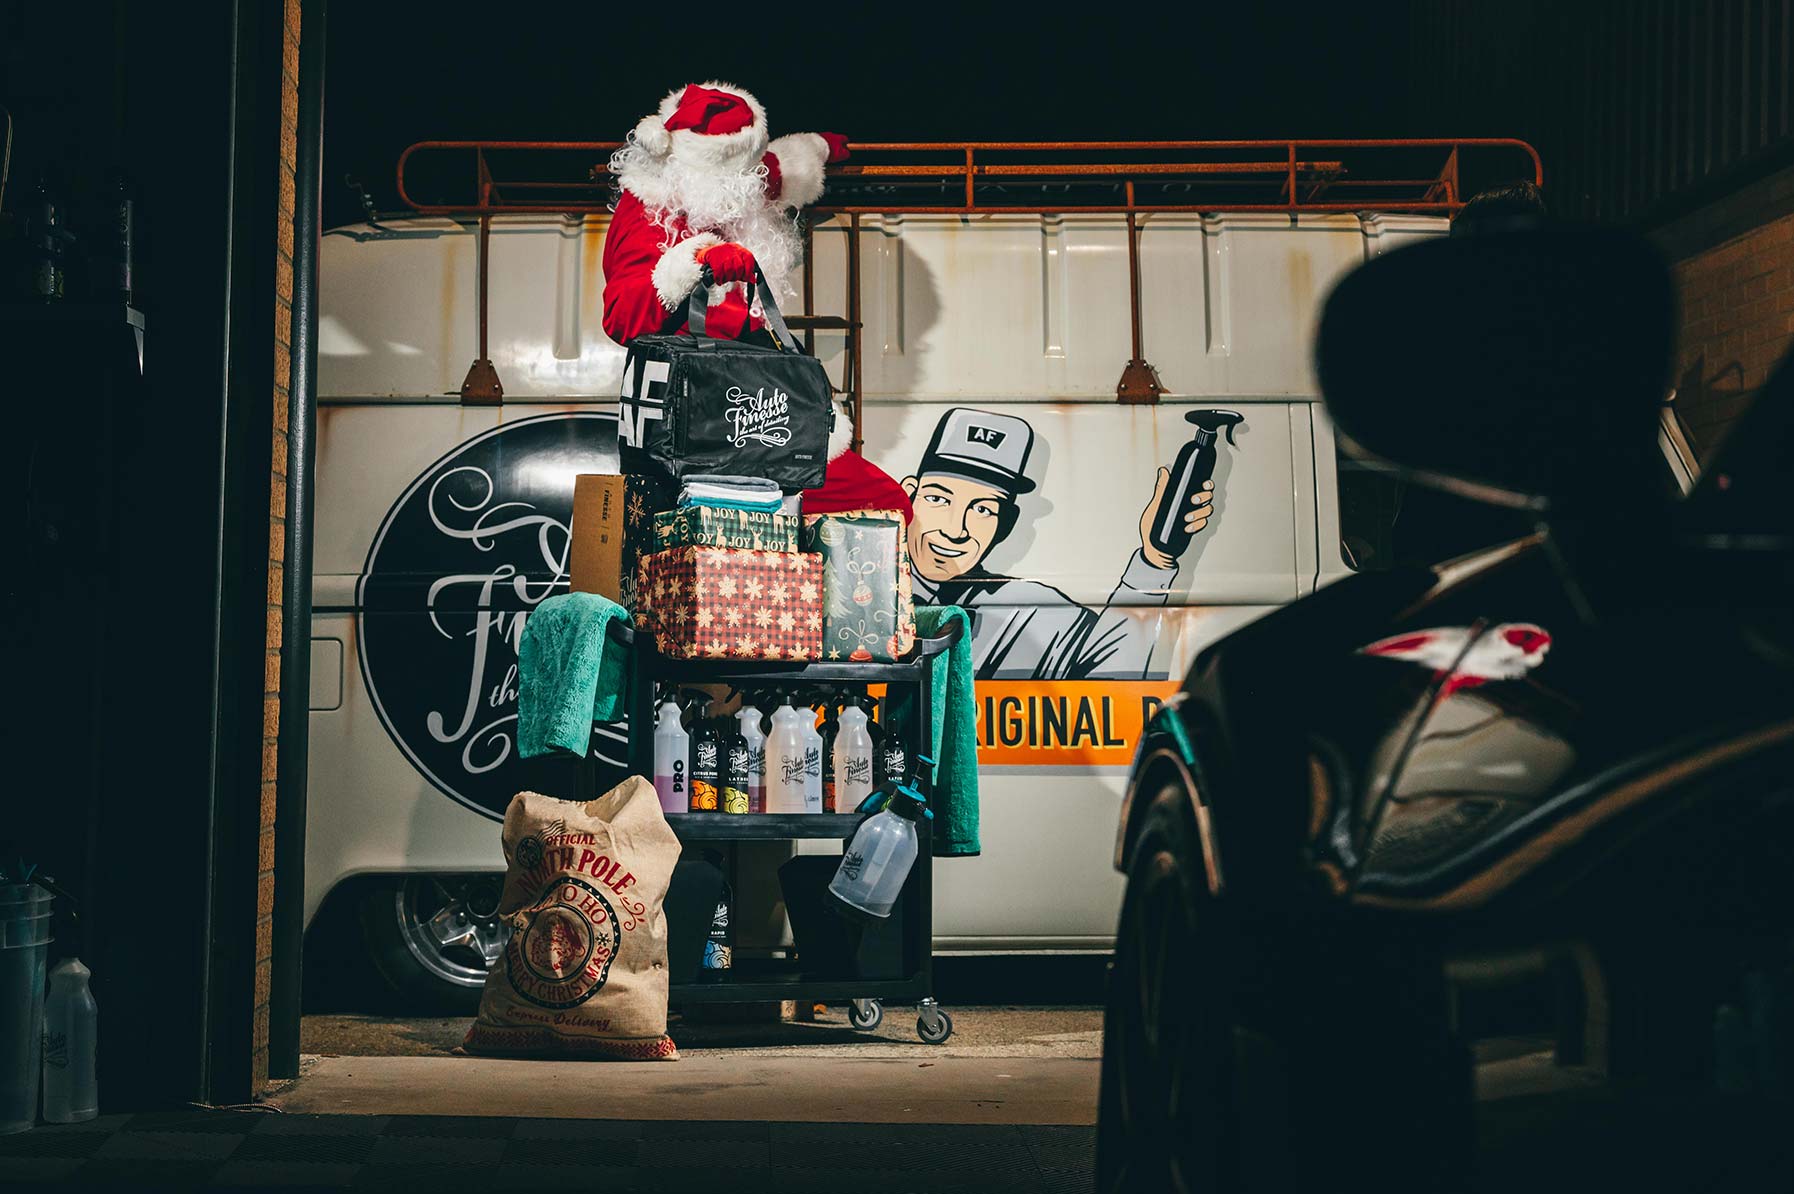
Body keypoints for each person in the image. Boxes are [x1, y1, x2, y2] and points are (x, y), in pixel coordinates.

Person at [900, 408, 1219, 680]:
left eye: (983, 509)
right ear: (909, 496)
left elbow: (1113, 685)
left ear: (1005, 524)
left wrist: (1155, 560)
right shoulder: (874, 595)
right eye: (938, 499)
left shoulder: (1037, 614)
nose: (955, 530)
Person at [601, 81, 848, 346]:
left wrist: (821, 146)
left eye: (748, 175)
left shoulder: (740, 187)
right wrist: (695, 262)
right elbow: (621, 320)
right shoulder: (649, 209)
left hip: (745, 338)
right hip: (689, 349)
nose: (749, 186)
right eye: (737, 178)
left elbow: (784, 167)